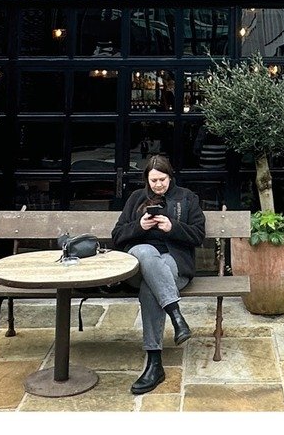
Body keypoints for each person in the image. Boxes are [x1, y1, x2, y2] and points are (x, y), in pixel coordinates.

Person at [110, 155, 206, 396]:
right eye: (153, 180)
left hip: (174, 265)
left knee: (150, 287)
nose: (158, 185)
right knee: (144, 251)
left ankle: (154, 364)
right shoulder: (136, 198)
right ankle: (176, 315)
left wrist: (173, 227)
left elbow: (198, 236)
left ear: (170, 177)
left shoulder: (187, 197)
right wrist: (139, 227)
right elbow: (117, 235)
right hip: (137, 267)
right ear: (147, 179)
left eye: (162, 179)